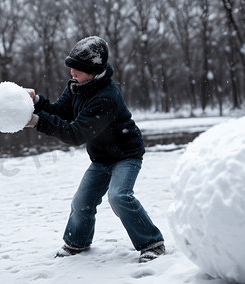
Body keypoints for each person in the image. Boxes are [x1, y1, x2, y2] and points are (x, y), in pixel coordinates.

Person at [26, 36, 165, 262]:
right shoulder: (78, 86)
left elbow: (76, 133)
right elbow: (61, 110)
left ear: (93, 70)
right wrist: (37, 101)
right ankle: (76, 242)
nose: (72, 72)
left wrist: (36, 122)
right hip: (101, 158)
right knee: (82, 201)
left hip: (126, 155)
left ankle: (152, 243)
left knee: (119, 196)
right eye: (71, 66)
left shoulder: (105, 97)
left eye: (77, 68)